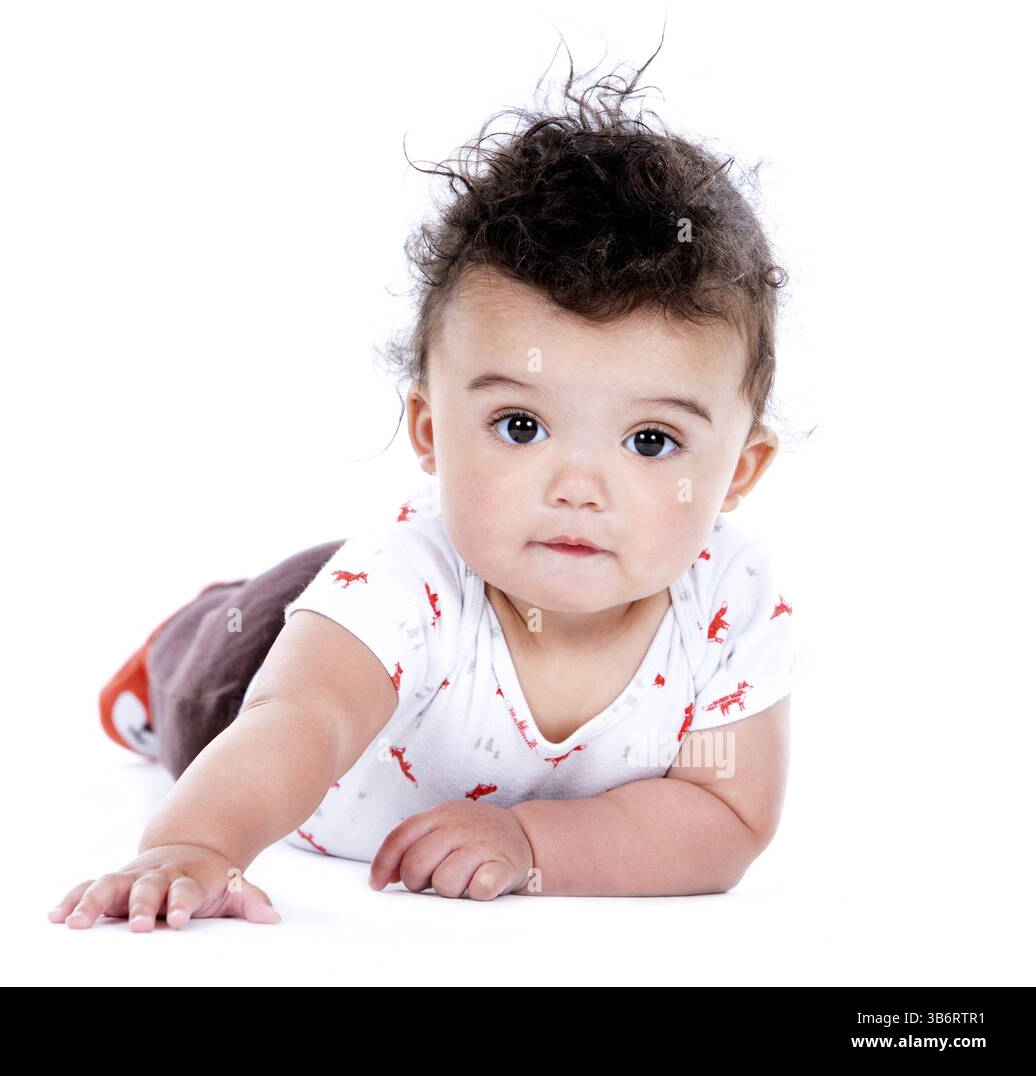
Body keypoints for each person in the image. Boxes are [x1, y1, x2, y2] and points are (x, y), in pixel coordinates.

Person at [49, 42, 800, 930]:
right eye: (521, 427)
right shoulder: (404, 587)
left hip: (395, 614)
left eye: (650, 440)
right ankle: (177, 642)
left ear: (740, 470)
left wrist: (532, 845)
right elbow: (304, 719)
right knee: (217, 673)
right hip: (293, 655)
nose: (576, 488)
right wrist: (197, 847)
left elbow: (727, 817)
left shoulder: (729, 605)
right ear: (433, 431)